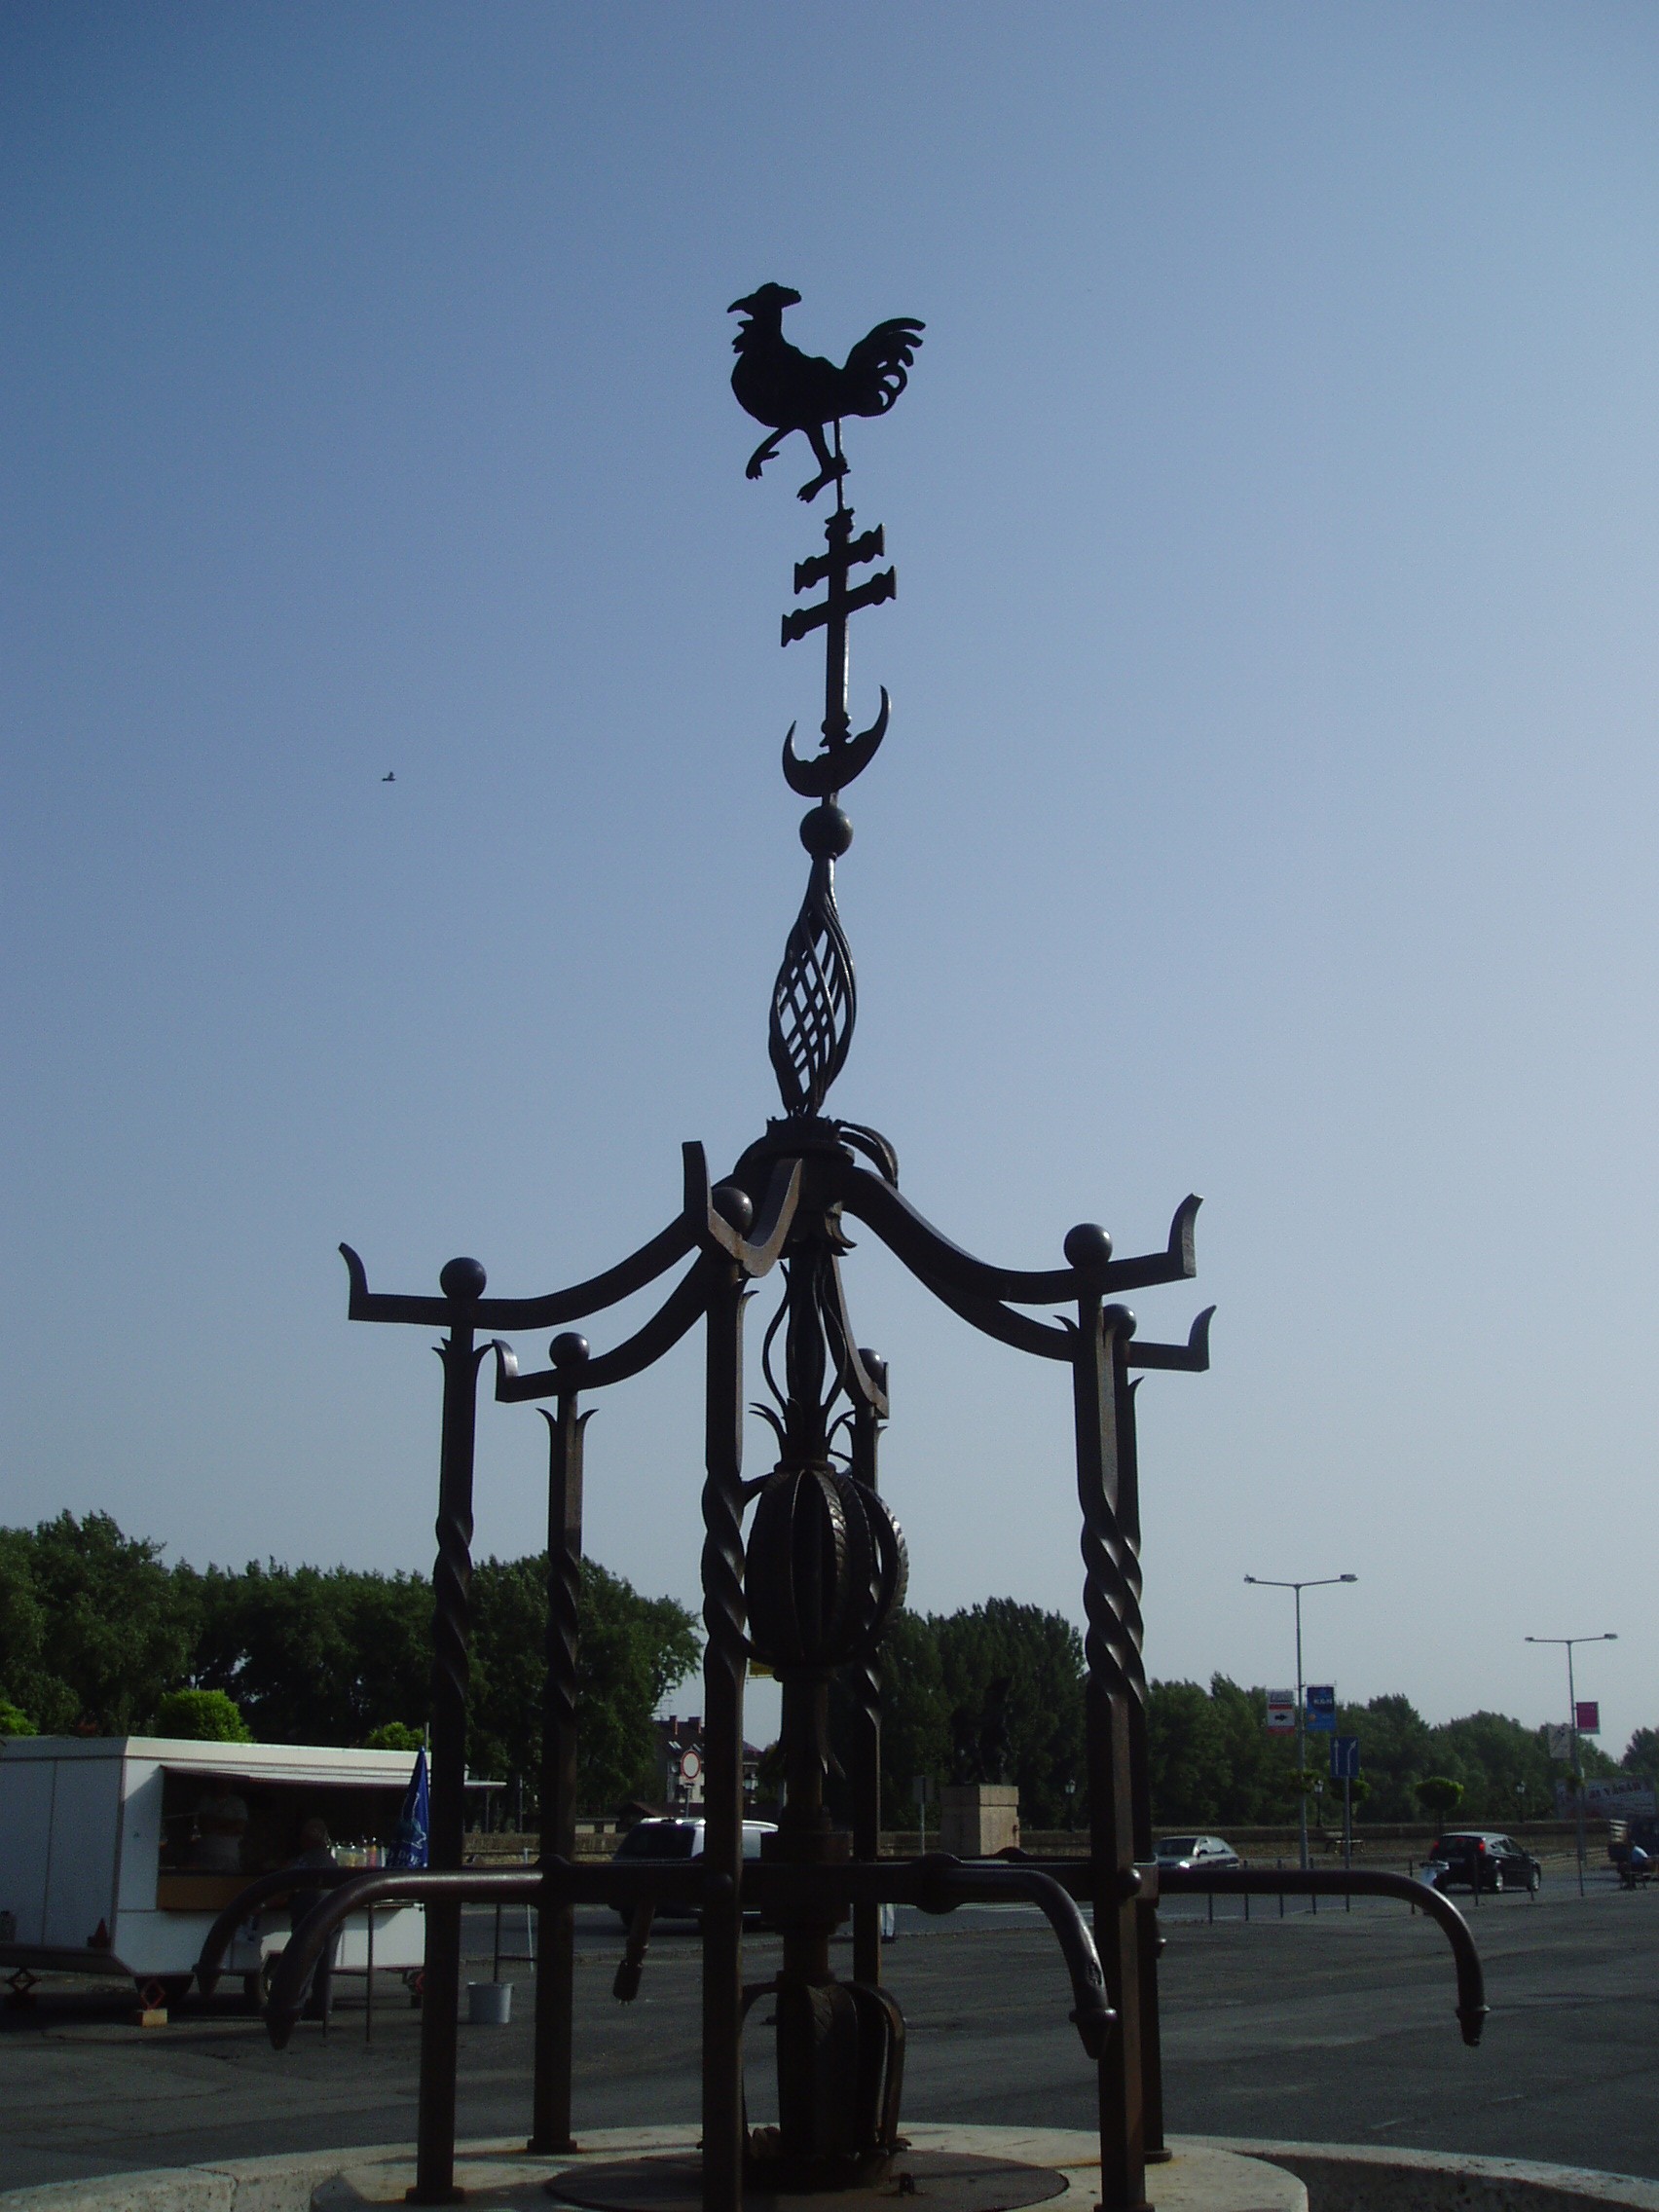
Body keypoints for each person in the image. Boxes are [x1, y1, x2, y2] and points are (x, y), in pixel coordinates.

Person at [287, 1818, 341, 2020]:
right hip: (335, 1913)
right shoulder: (331, 1860)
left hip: (310, 1916)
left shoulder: (304, 1860)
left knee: (304, 1961)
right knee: (326, 1965)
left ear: (306, 1839)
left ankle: (294, 2006)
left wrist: (263, 1904)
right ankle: (323, 2007)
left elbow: (286, 1885)